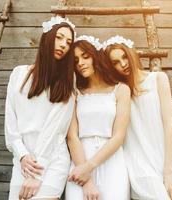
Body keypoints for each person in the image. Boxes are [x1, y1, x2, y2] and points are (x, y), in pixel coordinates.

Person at [103, 35, 172, 200]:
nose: (123, 64)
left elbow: (169, 124)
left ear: (132, 54)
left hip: (169, 156)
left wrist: (169, 171)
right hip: (140, 162)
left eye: (124, 57)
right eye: (115, 63)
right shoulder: (119, 91)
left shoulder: (158, 79)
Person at [4, 16, 76, 200]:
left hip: (51, 162)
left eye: (68, 42)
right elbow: (11, 123)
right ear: (47, 38)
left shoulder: (66, 83)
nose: (63, 45)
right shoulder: (18, 74)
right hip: (23, 162)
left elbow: (54, 130)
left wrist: (37, 174)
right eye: (59, 38)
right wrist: (21, 155)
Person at [65, 35, 131, 200]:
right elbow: (72, 136)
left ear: (96, 56)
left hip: (112, 161)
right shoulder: (75, 93)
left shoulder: (121, 90)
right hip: (80, 159)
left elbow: (119, 136)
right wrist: (86, 178)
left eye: (85, 57)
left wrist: (90, 166)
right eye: (75, 60)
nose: (80, 63)